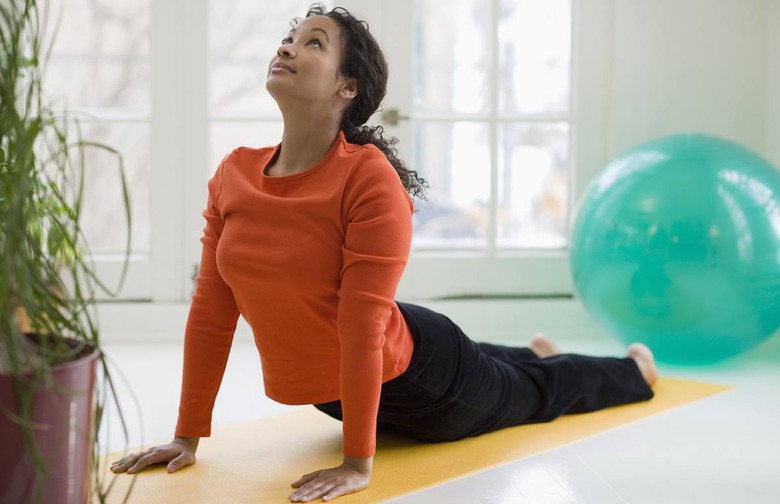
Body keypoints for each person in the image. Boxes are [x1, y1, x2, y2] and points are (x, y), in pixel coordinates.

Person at [110, 4, 658, 502]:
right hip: (345, 383)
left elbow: (363, 324)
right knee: (491, 362)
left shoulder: (366, 179)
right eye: (289, 38)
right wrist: (187, 435)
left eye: (313, 43)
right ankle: (532, 351)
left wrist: (357, 464)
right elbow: (211, 311)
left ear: (347, 88)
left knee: (531, 394)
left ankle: (632, 370)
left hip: (418, 381)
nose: (286, 48)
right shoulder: (235, 172)